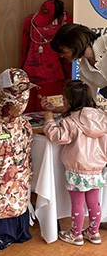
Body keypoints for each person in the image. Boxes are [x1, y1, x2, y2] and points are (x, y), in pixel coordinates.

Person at [43, 80, 107, 245]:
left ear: (70, 101)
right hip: (96, 168)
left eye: (64, 99)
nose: (63, 102)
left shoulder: (70, 121)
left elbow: (57, 137)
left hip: (76, 169)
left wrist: (49, 120)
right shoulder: (102, 117)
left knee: (78, 203)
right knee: (94, 202)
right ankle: (94, 233)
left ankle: (75, 234)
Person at [0, 69, 36, 252]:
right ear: (4, 93)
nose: (23, 98)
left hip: (20, 197)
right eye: (17, 92)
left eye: (26, 92)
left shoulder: (24, 124)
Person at [20, 0, 71, 111]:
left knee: (48, 110)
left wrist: (69, 76)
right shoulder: (31, 20)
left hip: (51, 75)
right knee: (29, 110)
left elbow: (68, 54)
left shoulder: (65, 22)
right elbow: (24, 47)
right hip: (34, 73)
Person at [47, 23, 107, 101]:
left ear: (73, 42)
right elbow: (89, 101)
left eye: (62, 50)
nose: (61, 56)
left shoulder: (105, 42)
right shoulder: (84, 70)